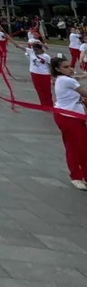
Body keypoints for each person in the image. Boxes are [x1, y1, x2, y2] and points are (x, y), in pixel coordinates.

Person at [48, 56, 87, 191]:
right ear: (58, 69)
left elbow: (77, 79)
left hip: (77, 116)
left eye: (70, 66)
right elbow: (84, 93)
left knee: (84, 146)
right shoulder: (65, 80)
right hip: (68, 117)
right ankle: (75, 176)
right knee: (74, 147)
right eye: (66, 67)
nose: (70, 68)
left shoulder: (65, 79)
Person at [26, 41, 52, 107]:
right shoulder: (31, 52)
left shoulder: (46, 56)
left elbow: (50, 67)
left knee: (47, 90)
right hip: (34, 74)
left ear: (41, 49)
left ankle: (50, 105)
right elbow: (17, 46)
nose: (35, 51)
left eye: (37, 50)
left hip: (45, 75)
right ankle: (43, 105)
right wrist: (8, 36)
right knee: (39, 90)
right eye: (34, 49)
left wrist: (53, 77)